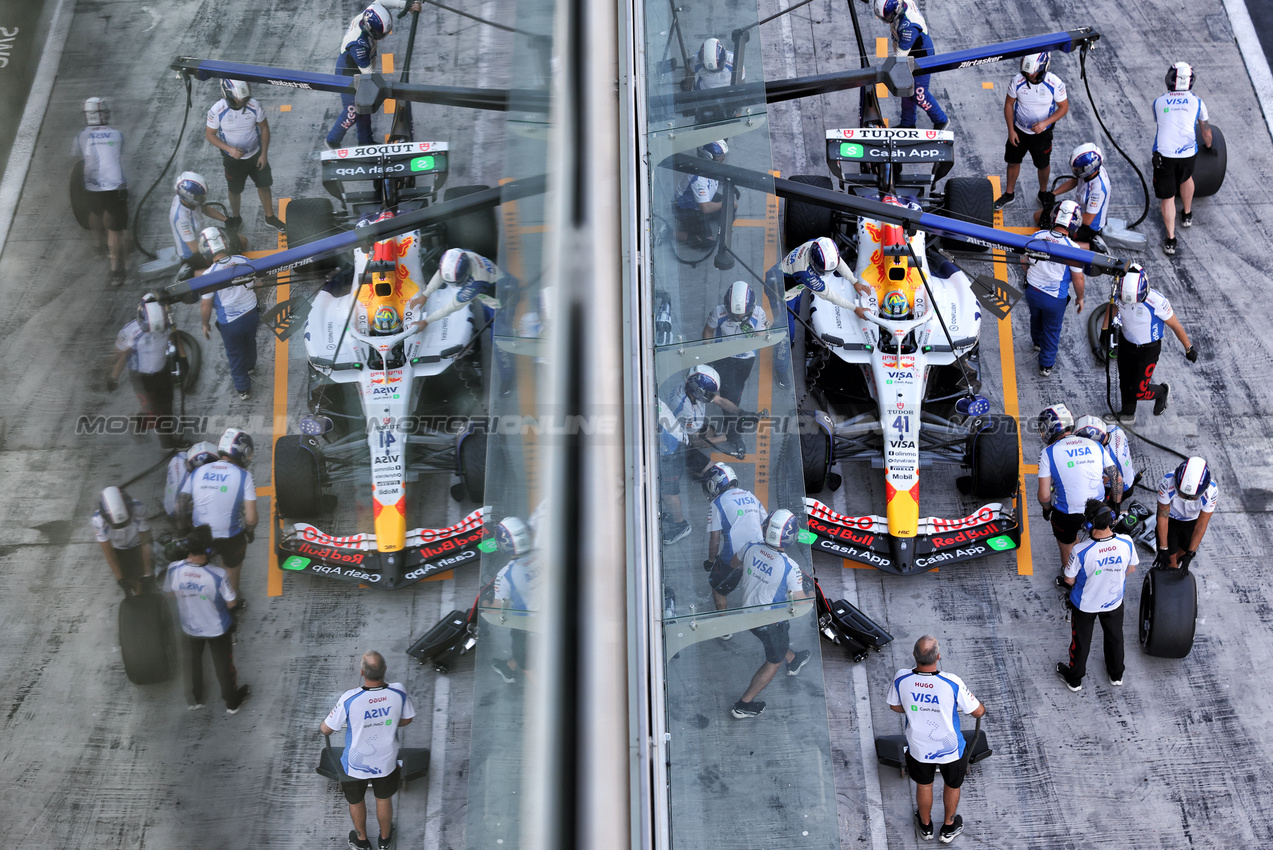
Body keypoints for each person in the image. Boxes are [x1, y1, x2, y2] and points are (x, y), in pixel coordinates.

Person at [887, 635, 986, 843]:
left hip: (918, 748)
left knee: (924, 786)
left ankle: (925, 827)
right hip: (951, 750)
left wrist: (919, 708)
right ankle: (949, 827)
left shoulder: (901, 678)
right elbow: (978, 712)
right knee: (952, 786)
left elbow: (894, 706)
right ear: (938, 657)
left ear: (914, 655)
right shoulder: (951, 682)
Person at [320, 651, 415, 850]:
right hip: (386, 762)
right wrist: (383, 722)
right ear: (385, 670)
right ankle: (385, 840)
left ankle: (362, 841)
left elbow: (326, 729)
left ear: (362, 672)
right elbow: (407, 719)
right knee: (383, 799)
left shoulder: (350, 698)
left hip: (354, 765)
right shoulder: (398, 691)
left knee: (355, 801)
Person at [729, 509, 812, 719]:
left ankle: (792, 659)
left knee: (778, 644)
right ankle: (743, 705)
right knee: (773, 661)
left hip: (747, 612)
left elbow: (733, 563)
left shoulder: (750, 547)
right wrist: (811, 591)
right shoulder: (790, 568)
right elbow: (801, 603)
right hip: (770, 622)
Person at [661, 364, 752, 543]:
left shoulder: (693, 390)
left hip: (685, 435)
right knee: (669, 492)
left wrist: (742, 413)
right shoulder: (683, 410)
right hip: (677, 448)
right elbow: (695, 443)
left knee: (711, 465)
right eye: (709, 394)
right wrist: (726, 437)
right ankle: (681, 525)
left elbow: (719, 401)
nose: (712, 397)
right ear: (699, 391)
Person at [163, 524, 249, 712]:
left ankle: (195, 699)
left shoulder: (173, 569)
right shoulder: (218, 575)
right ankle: (231, 702)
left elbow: (170, 594)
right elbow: (231, 603)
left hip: (189, 627)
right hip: (217, 629)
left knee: (193, 662)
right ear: (209, 550)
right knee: (224, 666)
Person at [1056, 499, 1137, 691]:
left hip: (1085, 605)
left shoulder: (1080, 550)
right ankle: (1116, 675)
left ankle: (1075, 680)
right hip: (1114, 602)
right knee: (1115, 638)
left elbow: (1068, 580)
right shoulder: (1126, 541)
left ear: (1089, 524)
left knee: (1081, 643)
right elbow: (1131, 569)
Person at [1099, 263, 1196, 424]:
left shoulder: (1157, 302)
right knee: (1125, 380)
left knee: (1139, 390)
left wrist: (1188, 348)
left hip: (1148, 351)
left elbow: (1175, 325)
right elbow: (1113, 308)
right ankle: (1127, 414)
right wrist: (1104, 329)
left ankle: (1162, 391)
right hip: (1126, 343)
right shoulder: (1119, 293)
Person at [325, 1, 424, 149]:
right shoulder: (358, 45)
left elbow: (381, 1)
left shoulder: (370, 13)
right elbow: (369, 75)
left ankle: (365, 140)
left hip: (361, 67)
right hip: (348, 74)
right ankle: (332, 139)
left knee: (365, 105)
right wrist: (385, 91)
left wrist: (407, 4)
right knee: (352, 111)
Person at [1037, 404, 1123, 572]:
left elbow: (1045, 495)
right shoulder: (1095, 445)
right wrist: (1115, 506)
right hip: (1096, 508)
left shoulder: (1048, 453)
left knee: (1066, 545)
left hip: (1067, 513)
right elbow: (1117, 477)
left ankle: (1069, 576)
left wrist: (1047, 510)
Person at [178, 428, 258, 597]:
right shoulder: (244, 476)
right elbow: (251, 519)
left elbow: (181, 504)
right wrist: (249, 533)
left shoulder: (199, 471)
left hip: (201, 534)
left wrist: (184, 531)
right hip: (230, 537)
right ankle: (232, 600)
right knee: (232, 566)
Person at [205, 79, 284, 232]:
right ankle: (236, 217)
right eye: (238, 97)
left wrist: (264, 155)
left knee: (264, 186)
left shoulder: (254, 105)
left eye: (244, 97)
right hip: (232, 160)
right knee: (234, 190)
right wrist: (229, 149)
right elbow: (210, 134)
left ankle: (270, 217)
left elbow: (264, 128)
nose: (242, 100)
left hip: (256, 156)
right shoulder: (217, 110)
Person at [108, 299, 188, 449]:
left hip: (162, 373)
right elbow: (122, 355)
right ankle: (137, 422)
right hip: (141, 379)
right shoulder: (130, 332)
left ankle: (167, 443)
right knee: (153, 413)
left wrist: (183, 359)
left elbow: (175, 338)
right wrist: (113, 376)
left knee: (167, 409)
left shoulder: (168, 325)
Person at [994, 52, 1068, 211]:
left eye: (1032, 72)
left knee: (1043, 164)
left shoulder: (1054, 83)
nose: (1029, 75)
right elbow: (1008, 105)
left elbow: (1064, 107)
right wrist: (1011, 131)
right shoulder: (1017, 81)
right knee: (1013, 162)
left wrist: (1045, 124)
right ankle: (1009, 193)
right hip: (1019, 131)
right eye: (1026, 72)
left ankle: (1042, 193)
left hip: (1042, 135)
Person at [1153, 62, 1212, 255]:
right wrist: (1210, 148)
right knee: (1187, 178)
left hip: (1164, 154)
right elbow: (1206, 133)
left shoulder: (1159, 102)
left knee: (1168, 197)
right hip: (1188, 153)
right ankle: (1187, 214)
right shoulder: (1198, 102)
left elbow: (1163, 124)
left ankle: (1171, 240)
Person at [1020, 200, 1085, 377]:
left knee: (1036, 317)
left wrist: (1031, 276)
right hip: (1054, 298)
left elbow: (1023, 260)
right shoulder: (1073, 248)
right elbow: (1078, 278)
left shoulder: (1038, 235)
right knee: (1052, 329)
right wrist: (1080, 298)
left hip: (1032, 290)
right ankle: (1046, 364)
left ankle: (1036, 342)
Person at [71, 97, 129, 285]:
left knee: (94, 212)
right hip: (115, 186)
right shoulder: (117, 134)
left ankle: (97, 245)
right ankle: (115, 271)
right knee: (115, 228)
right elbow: (117, 155)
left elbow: (77, 157)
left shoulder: (81, 135)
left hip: (92, 186)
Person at [199, 226, 260, 400]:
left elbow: (206, 305)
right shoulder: (242, 259)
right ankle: (251, 366)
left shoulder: (208, 275)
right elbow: (257, 284)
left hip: (230, 322)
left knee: (234, 354)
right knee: (250, 341)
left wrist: (205, 324)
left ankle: (243, 388)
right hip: (252, 313)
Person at [873, 0, 948, 130]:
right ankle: (908, 123)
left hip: (922, 58)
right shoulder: (901, 3)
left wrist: (885, 74)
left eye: (888, 17)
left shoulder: (908, 27)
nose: (886, 20)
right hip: (910, 53)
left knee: (919, 94)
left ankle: (941, 120)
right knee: (906, 88)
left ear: (896, 11)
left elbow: (899, 58)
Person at [702, 463, 764, 618]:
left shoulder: (716, 503)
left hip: (733, 557)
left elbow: (715, 539)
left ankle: (725, 626)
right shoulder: (750, 495)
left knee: (718, 589)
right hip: (759, 552)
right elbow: (765, 524)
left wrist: (710, 560)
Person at [703, 281, 772, 402]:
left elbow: (762, 339)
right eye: (734, 314)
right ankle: (731, 411)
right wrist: (708, 353)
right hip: (723, 356)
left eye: (742, 314)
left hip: (746, 358)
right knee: (727, 391)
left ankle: (734, 404)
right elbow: (708, 330)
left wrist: (751, 334)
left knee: (740, 384)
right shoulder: (718, 312)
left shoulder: (759, 313)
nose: (739, 317)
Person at [490, 517, 539, 684]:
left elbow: (497, 612)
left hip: (530, 626)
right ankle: (509, 667)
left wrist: (486, 606)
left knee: (524, 656)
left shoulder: (506, 575)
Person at [408, 247, 502, 331]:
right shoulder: (461, 255)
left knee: (496, 335)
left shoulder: (475, 283)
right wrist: (425, 295)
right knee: (487, 319)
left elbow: (452, 306)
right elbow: (442, 273)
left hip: (500, 302)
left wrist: (426, 321)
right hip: (491, 286)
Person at [1039, 143, 1110, 251]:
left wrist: (1062, 212)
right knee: (1038, 216)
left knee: (1056, 244)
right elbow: (1074, 181)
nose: (1075, 172)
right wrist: (1053, 193)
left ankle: (1093, 247)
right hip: (1077, 212)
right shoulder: (1089, 172)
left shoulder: (1098, 190)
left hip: (1088, 226)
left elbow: (1088, 220)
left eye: (1077, 170)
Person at [1155, 457, 1217, 570]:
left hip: (1191, 522)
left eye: (1192, 497)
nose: (1186, 499)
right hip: (1171, 520)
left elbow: (1202, 524)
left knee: (1181, 555)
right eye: (1182, 494)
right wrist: (1163, 548)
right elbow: (1163, 516)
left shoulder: (1212, 491)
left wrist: (1190, 553)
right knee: (1171, 562)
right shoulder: (1167, 482)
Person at [92, 486, 153, 596]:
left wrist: (147, 572)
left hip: (138, 543)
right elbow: (109, 553)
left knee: (144, 579)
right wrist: (120, 579)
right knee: (128, 579)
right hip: (118, 548)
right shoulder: (98, 520)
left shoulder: (138, 508)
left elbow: (146, 543)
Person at [779, 236, 861, 315]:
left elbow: (837, 261)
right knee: (789, 323)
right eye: (821, 270)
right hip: (784, 293)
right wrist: (855, 308)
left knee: (796, 312)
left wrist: (854, 282)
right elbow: (828, 294)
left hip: (795, 285)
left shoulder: (817, 243)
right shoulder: (806, 274)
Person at [169, 171, 230, 270]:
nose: (202, 199)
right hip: (195, 254)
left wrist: (225, 219)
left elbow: (204, 208)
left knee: (240, 240)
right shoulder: (181, 219)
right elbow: (194, 248)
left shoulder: (187, 200)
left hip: (203, 240)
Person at [1073, 415, 1134, 504]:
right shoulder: (1114, 429)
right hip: (1128, 475)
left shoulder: (1109, 455)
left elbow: (1100, 482)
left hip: (1121, 488)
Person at [165, 441, 220, 519]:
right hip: (174, 511)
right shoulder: (185, 482)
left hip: (169, 502)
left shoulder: (178, 457)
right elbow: (179, 507)